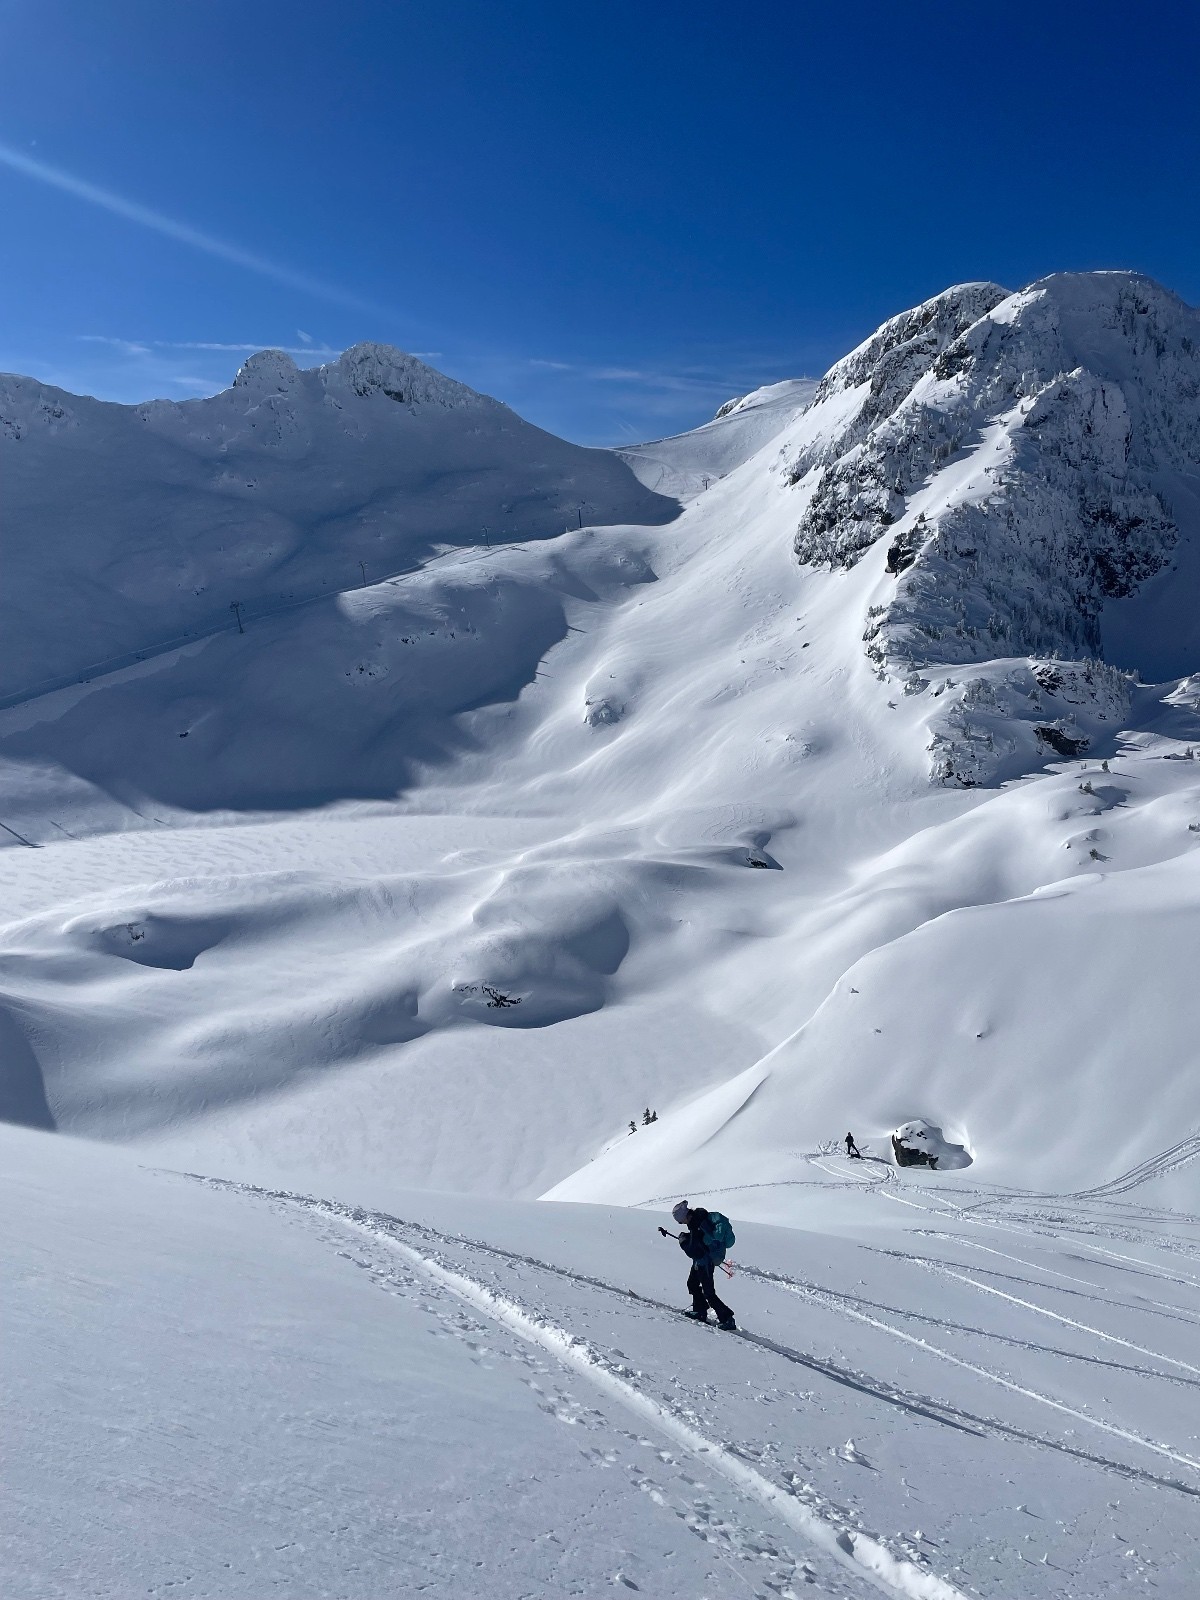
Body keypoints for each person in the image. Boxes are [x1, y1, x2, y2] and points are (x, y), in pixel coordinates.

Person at [662, 1200, 736, 1330]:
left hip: (705, 1261)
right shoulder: (698, 1219)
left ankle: (727, 1318)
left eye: (680, 1221)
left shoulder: (697, 1224)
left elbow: (694, 1249)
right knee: (692, 1283)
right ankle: (699, 1311)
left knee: (709, 1292)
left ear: (685, 1216)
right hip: (701, 1260)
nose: (681, 1223)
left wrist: (683, 1241)